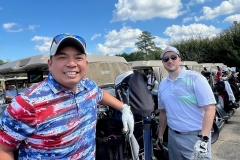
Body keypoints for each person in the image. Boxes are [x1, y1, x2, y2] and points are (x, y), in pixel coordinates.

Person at [0, 34, 134, 160]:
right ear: (50, 64)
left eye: (78, 57)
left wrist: (124, 108)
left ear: (85, 63)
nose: (71, 63)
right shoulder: (26, 103)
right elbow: (3, 149)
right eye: (62, 57)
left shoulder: (87, 85)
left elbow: (100, 94)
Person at [156, 46, 216, 160]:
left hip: (195, 137)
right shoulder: (163, 84)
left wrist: (203, 139)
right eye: (166, 59)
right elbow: (163, 112)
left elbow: (210, 109)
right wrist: (160, 135)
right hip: (173, 136)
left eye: (173, 57)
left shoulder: (195, 78)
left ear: (179, 59)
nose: (170, 61)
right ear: (163, 63)